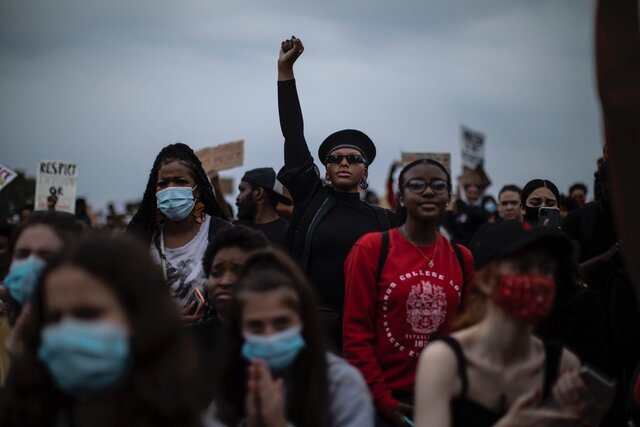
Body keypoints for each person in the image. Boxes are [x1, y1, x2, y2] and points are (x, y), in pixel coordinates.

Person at [414, 222, 612, 427]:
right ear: (486, 280)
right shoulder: (444, 361)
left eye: (545, 269)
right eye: (523, 268)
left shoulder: (563, 364)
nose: (537, 281)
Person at [0, 235, 202, 427]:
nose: (67, 332)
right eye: (54, 318)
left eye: (87, 314)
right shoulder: (25, 415)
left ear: (141, 317)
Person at [276, 36, 395, 349]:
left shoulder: (385, 221)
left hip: (364, 333)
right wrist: (285, 71)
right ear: (325, 168)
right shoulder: (310, 199)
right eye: (335, 159)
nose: (344, 163)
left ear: (365, 170)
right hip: (309, 329)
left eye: (354, 159)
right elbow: (292, 133)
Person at [343, 158, 474, 427]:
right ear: (400, 197)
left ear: (449, 196)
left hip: (446, 401)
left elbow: (470, 332)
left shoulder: (463, 258)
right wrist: (384, 402)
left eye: (438, 186)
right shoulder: (371, 249)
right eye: (416, 185)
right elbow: (356, 334)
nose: (428, 191)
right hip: (384, 403)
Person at [204, 249, 373, 427]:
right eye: (256, 326)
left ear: (302, 321)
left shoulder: (341, 383)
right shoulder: (230, 383)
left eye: (281, 323)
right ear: (239, 330)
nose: (269, 337)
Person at [127, 143, 231, 323]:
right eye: (163, 183)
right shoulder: (140, 241)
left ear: (197, 190)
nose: (170, 189)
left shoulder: (221, 233)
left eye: (180, 181)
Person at [193, 226, 270, 406]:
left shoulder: (276, 342)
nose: (225, 281)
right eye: (216, 273)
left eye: (238, 271)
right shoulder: (188, 343)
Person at [235, 167, 291, 246]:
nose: (237, 197)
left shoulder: (290, 234)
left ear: (258, 193)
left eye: (242, 190)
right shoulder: (235, 230)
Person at [443, 182, 489, 247]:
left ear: (479, 195)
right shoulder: (460, 210)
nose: (472, 196)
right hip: (459, 248)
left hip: (477, 248)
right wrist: (449, 211)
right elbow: (450, 226)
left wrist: (459, 200)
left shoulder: (482, 210)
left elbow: (475, 213)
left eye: (475, 193)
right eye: (470, 193)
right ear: (466, 194)